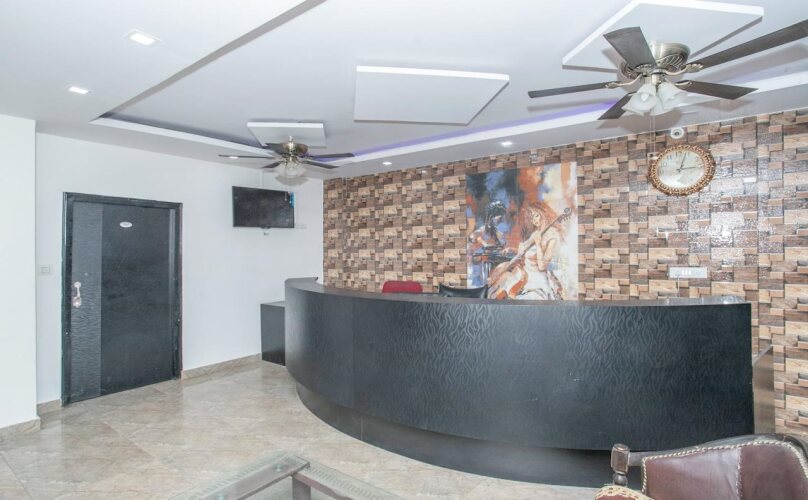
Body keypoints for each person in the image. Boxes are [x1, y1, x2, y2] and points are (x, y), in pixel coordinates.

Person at [514, 201, 564, 299]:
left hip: (538, 280)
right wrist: (518, 248)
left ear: (543, 214)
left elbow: (542, 266)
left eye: (536, 216)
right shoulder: (537, 232)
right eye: (531, 218)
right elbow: (525, 248)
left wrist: (538, 245)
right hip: (526, 275)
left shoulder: (553, 236)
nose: (534, 220)